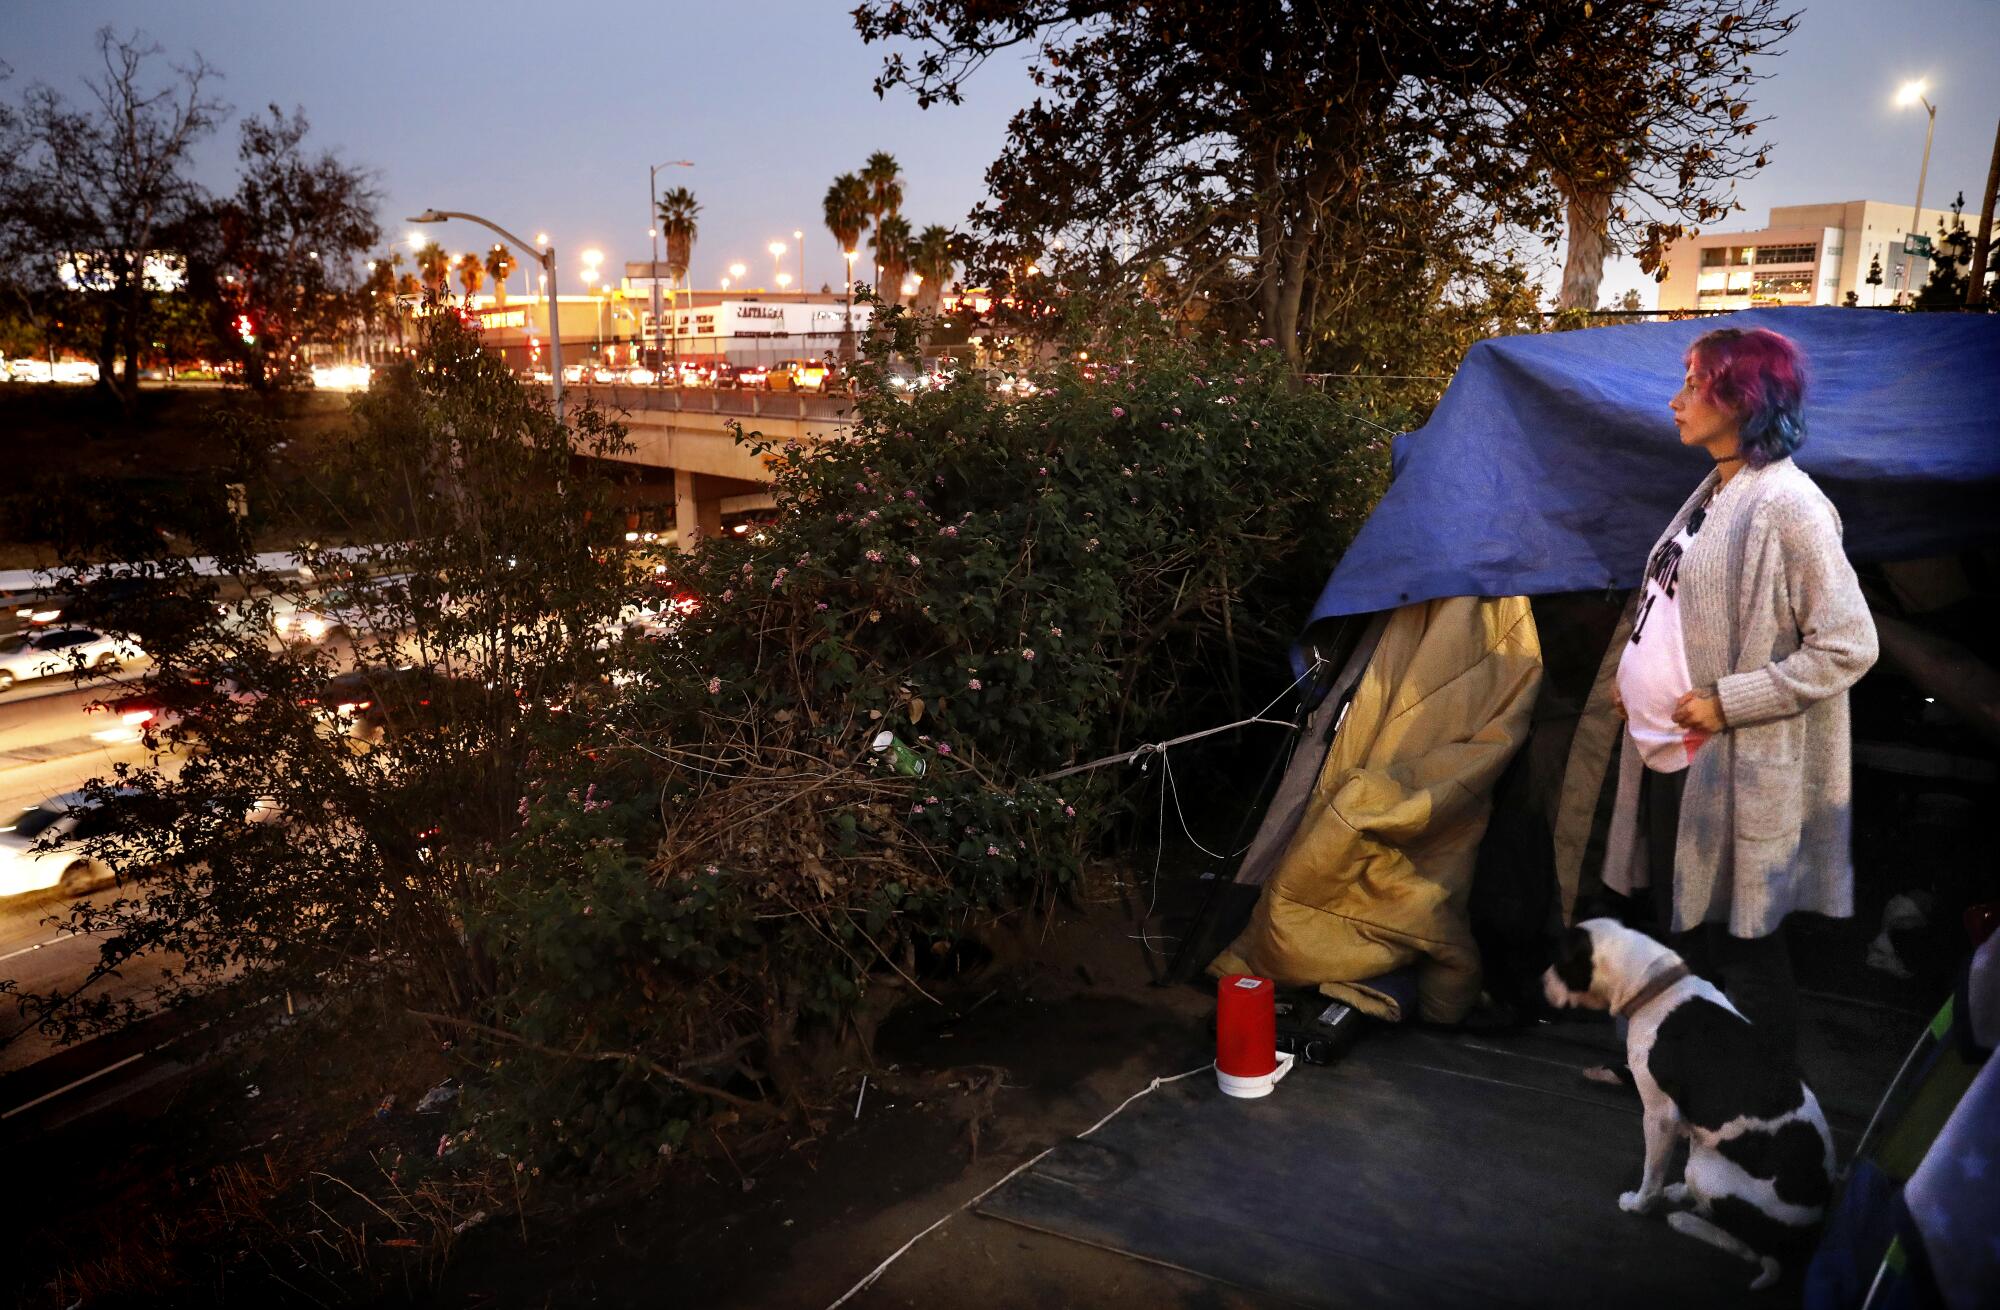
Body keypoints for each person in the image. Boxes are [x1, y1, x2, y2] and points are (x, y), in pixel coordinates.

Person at [1602, 326, 1878, 1062]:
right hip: (1673, 756)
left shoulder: (1790, 506)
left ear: (1742, 395)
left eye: (1695, 384)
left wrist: (1731, 701)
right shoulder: (1715, 488)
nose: (1677, 399)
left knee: (1738, 944)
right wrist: (1634, 678)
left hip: (1726, 767)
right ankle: (1681, 1087)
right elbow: (1671, 603)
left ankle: (1768, 1114)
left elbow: (1850, 642)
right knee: (1684, 932)